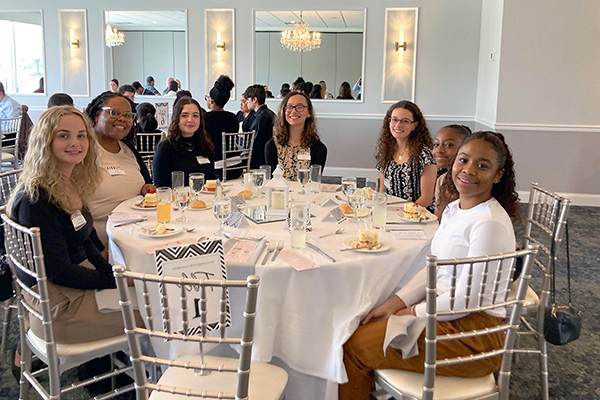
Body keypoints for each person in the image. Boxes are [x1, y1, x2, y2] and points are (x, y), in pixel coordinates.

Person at [340, 131, 520, 399]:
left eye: (482, 165)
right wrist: (395, 303)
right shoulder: (454, 209)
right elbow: (435, 267)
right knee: (358, 324)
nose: (468, 170)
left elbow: (466, 302)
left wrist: (411, 312)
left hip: (474, 335)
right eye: (463, 160)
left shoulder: (488, 223)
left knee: (351, 348)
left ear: (498, 175)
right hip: (445, 316)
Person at [7, 106, 143, 346]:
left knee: (147, 295)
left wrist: (108, 271)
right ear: (45, 140)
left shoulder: (68, 183)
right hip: (59, 308)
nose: (75, 142)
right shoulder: (37, 198)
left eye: (81, 135)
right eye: (63, 135)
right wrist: (112, 280)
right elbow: (59, 271)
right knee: (156, 313)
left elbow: (86, 237)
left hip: (67, 288)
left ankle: (117, 371)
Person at [84, 92, 154, 247]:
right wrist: (98, 250)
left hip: (140, 237)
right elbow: (74, 213)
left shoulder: (129, 151)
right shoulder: (82, 152)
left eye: (128, 115)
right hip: (101, 246)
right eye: (114, 113)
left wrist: (146, 189)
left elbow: (147, 185)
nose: (122, 119)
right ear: (97, 115)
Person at [375, 100, 436, 208]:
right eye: (394, 120)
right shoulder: (386, 150)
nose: (398, 125)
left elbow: (426, 199)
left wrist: (404, 214)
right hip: (390, 212)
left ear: (414, 125)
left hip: (416, 215)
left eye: (405, 121)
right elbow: (382, 190)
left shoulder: (424, 155)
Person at [153, 97, 216, 187]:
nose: (190, 120)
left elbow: (212, 180)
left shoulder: (206, 145)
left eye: (195, 115)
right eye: (184, 115)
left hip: (204, 199)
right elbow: (160, 186)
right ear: (176, 118)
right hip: (176, 199)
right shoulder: (165, 148)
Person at [265, 91, 327, 180]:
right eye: (289, 107)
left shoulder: (318, 148)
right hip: (279, 193)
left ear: (308, 112)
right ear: (284, 111)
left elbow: (314, 183)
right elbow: (271, 181)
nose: (293, 111)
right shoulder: (272, 145)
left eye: (300, 107)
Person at [204, 75, 240, 180]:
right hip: (237, 165)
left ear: (211, 101)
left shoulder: (204, 118)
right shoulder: (233, 118)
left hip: (216, 168)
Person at [433, 124, 472, 219]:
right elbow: (438, 219)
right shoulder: (442, 180)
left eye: (448, 145)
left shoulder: (468, 182)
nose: (439, 150)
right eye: (436, 144)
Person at [244, 84, 275, 169]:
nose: (246, 102)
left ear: (255, 100)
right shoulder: (268, 113)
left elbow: (256, 142)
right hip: (266, 155)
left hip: (260, 159)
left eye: (247, 99)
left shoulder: (262, 117)